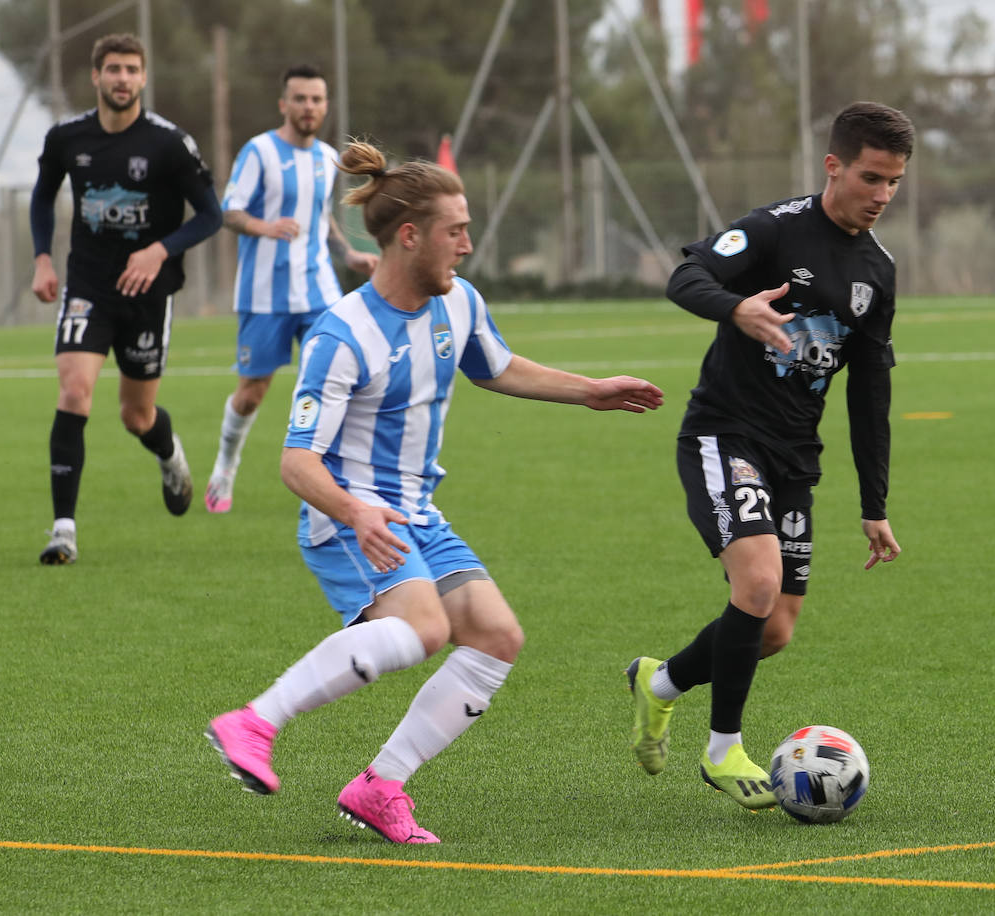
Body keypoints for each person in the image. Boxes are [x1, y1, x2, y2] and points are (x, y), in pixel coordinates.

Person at [206, 141, 663, 844]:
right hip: (349, 517)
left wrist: (591, 392)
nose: (468, 245)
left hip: (418, 513)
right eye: (456, 231)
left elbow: (499, 366)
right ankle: (254, 721)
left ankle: (380, 785)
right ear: (410, 237)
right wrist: (356, 511)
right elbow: (297, 464)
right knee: (425, 628)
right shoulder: (342, 335)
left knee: (496, 636)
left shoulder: (460, 304)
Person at [625, 101, 912, 811]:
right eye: (871, 177)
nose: (882, 195)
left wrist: (874, 505)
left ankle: (659, 684)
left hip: (793, 458)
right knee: (755, 583)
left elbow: (869, 392)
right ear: (834, 166)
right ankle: (723, 749)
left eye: (895, 182)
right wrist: (737, 308)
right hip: (724, 435)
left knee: (774, 629)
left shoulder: (877, 270)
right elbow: (685, 275)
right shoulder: (773, 230)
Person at [30, 33, 222, 565]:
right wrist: (42, 258)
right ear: (95, 76)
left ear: (143, 77)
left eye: (132, 69)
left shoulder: (168, 143)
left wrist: (159, 250)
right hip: (88, 283)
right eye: (112, 68)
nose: (122, 78)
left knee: (136, 416)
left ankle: (169, 452)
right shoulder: (67, 137)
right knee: (75, 392)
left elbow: (211, 215)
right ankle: (63, 530)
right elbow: (43, 194)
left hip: (147, 292)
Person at [204, 64, 379, 514]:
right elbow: (230, 212)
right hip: (263, 296)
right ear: (284, 104)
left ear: (325, 106)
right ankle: (226, 464)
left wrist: (350, 255)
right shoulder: (258, 152)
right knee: (252, 392)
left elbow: (322, 222)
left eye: (317, 100)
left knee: (343, 380)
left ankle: (340, 482)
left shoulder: (326, 157)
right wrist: (265, 226)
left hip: (320, 293)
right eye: (300, 99)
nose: (309, 107)